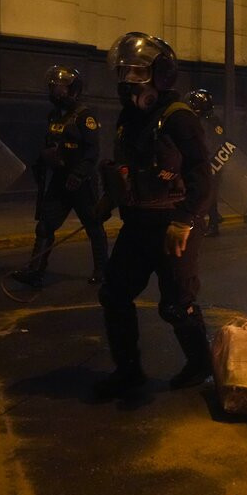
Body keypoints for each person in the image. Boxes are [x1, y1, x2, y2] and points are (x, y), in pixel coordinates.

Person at [94, 32, 213, 399]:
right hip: (137, 223)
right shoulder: (129, 118)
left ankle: (201, 364)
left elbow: (201, 174)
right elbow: (129, 167)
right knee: (114, 294)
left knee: (176, 305)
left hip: (173, 223)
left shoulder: (179, 118)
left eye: (137, 72)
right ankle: (128, 371)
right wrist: (109, 198)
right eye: (123, 72)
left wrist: (184, 220)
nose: (128, 80)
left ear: (160, 75)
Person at [11, 66, 108, 287]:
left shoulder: (85, 116)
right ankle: (35, 271)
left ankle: (102, 271)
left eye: (60, 87)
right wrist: (43, 161)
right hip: (60, 179)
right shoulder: (54, 115)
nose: (55, 91)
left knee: (93, 226)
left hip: (81, 181)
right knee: (45, 226)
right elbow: (50, 143)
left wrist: (79, 174)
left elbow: (92, 151)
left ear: (73, 89)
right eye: (53, 87)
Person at [185, 89, 225, 237]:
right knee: (209, 193)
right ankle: (214, 218)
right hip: (212, 162)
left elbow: (210, 144)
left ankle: (213, 224)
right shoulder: (211, 120)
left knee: (207, 194)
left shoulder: (206, 122)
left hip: (210, 163)